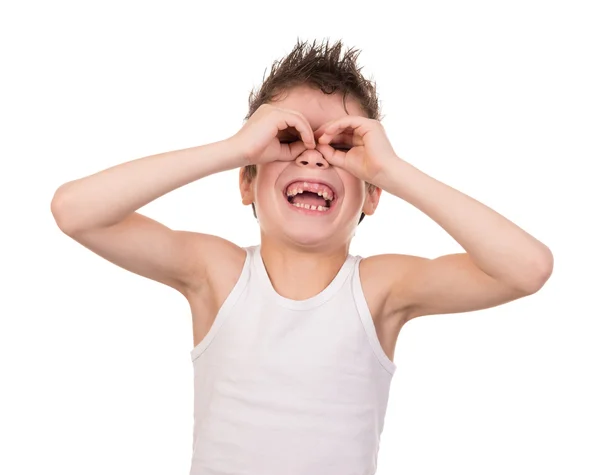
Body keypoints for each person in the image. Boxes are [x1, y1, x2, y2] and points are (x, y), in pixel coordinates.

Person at [50, 39, 553, 475]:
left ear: (371, 197)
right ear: (246, 182)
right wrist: (233, 148)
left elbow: (527, 268)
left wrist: (393, 170)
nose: (313, 156)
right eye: (286, 139)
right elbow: (75, 212)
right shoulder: (219, 274)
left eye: (341, 145)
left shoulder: (379, 289)